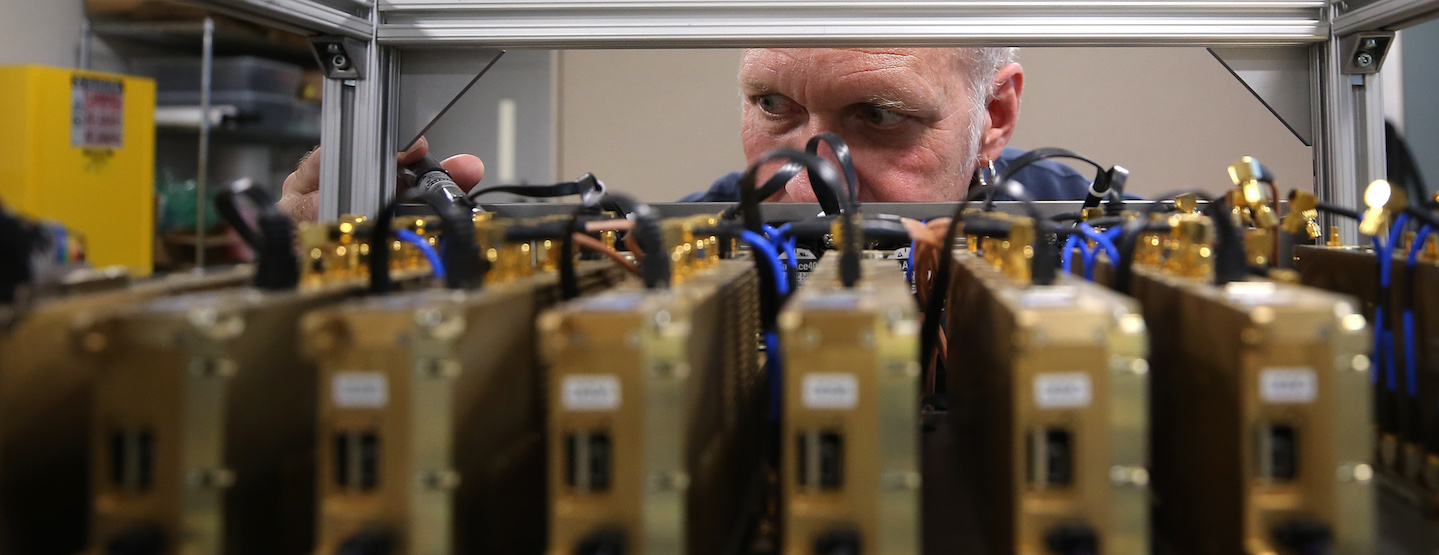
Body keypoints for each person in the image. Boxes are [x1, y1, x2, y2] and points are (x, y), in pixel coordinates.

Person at [277, 47, 1090, 221]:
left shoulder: (1101, 248)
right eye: (773, 107)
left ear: (997, 117)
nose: (806, 182)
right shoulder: (670, 244)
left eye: (878, 118)